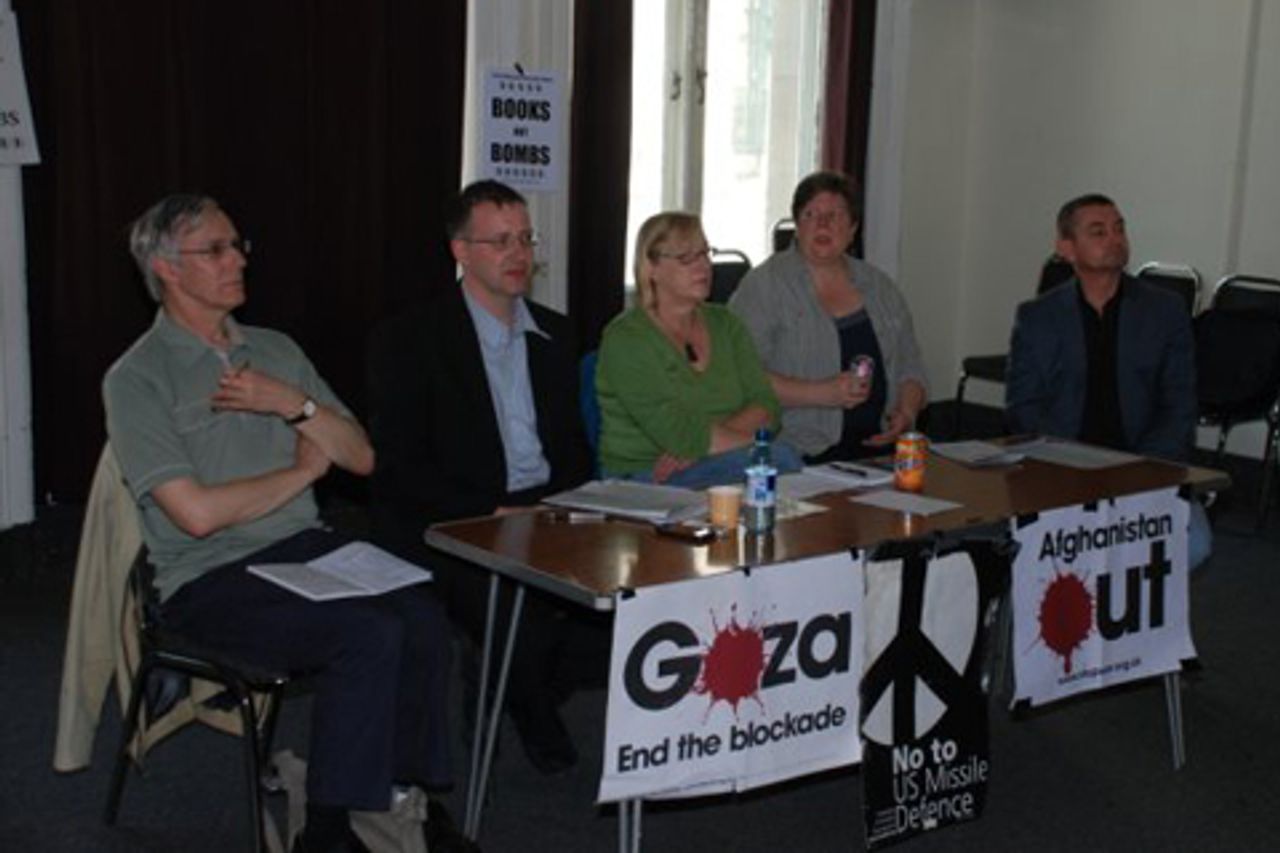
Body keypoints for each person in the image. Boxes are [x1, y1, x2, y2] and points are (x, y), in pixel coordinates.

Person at [103, 194, 456, 852]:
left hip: (305, 547)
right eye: (215, 250)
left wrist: (291, 402)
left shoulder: (274, 350)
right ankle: (325, 831)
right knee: (367, 633)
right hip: (209, 578)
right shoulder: (138, 377)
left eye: (238, 245)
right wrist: (300, 474)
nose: (237, 260)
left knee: (424, 614)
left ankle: (401, 803)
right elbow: (197, 516)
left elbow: (360, 455)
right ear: (167, 269)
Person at [367, 180, 596, 775]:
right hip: (455, 512)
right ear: (461, 251)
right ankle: (534, 711)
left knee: (615, 590)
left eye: (525, 239)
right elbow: (399, 467)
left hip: (543, 504)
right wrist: (493, 513)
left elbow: (572, 450)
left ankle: (500, 676)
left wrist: (563, 506)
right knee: (507, 602)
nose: (518, 254)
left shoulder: (556, 334)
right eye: (500, 241)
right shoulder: (410, 340)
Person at [1006, 192, 1210, 567]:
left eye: (1119, 229)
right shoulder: (1038, 317)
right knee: (1046, 551)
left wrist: (1139, 470)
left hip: (1145, 467)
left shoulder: (1164, 310)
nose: (1114, 239)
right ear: (1066, 248)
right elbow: (1024, 406)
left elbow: (1179, 405)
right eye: (1098, 232)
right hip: (1064, 470)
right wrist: (1076, 465)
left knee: (1194, 545)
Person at [729, 171, 928, 462]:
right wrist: (821, 393)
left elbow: (911, 364)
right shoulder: (764, 286)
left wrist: (907, 412)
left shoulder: (880, 286)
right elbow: (741, 375)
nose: (822, 224)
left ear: (853, 228)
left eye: (834, 215)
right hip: (798, 455)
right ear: (797, 225)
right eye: (811, 214)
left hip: (882, 455)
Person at [596, 211, 799, 489]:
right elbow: (679, 435)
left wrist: (701, 448)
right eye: (686, 258)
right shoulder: (626, 338)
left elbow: (767, 407)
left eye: (705, 253)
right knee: (782, 458)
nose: (703, 266)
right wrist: (716, 444)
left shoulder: (726, 323)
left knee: (780, 463)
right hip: (645, 475)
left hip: (716, 461)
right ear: (652, 268)